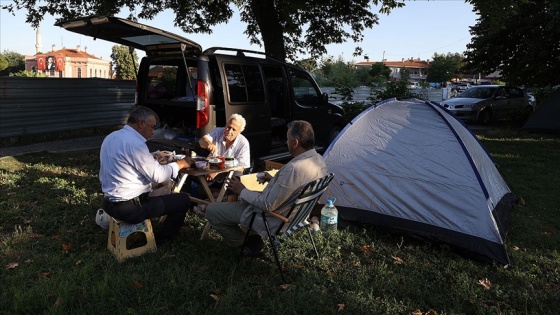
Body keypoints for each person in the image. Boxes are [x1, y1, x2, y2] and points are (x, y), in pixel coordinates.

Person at [205, 120, 328, 256]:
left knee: (212, 210)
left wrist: (242, 190)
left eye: (287, 139)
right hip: (295, 217)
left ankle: (246, 242)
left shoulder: (294, 168)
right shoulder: (319, 160)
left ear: (295, 143)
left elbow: (267, 204)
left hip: (270, 218)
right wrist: (274, 179)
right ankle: (250, 236)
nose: (286, 143)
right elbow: (294, 187)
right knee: (243, 198)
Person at [100, 106, 193, 243]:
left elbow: (126, 162)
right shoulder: (135, 144)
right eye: (152, 127)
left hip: (108, 203)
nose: (153, 132)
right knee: (183, 200)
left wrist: (152, 158)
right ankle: (164, 240)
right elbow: (159, 175)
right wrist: (180, 164)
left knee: (159, 187)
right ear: (141, 123)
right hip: (130, 209)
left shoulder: (112, 136)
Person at [198, 113, 251, 179]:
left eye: (234, 129)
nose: (229, 131)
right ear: (225, 125)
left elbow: (241, 167)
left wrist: (218, 172)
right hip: (211, 167)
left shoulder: (243, 143)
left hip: (228, 171)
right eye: (228, 127)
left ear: (239, 132)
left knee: (237, 175)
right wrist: (209, 144)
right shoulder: (218, 131)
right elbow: (201, 141)